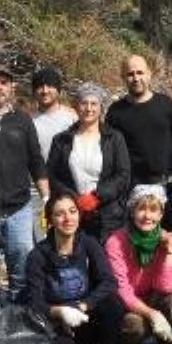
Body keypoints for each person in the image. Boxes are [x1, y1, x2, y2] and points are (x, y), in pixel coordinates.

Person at [0, 64, 49, 303]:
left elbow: (36, 160)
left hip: (19, 207)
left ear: (11, 87)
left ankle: (18, 321)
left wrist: (46, 199)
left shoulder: (23, 120)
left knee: (22, 269)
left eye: (3, 82)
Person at [26, 191, 124, 344]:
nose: (68, 218)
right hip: (57, 322)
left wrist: (84, 305)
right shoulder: (38, 256)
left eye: (72, 211)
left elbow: (109, 281)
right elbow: (34, 303)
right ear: (50, 220)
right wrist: (61, 312)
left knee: (113, 304)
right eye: (60, 213)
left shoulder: (88, 244)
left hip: (85, 314)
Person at [103, 185, 172, 344]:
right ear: (132, 212)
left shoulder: (167, 239)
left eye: (154, 210)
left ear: (161, 215)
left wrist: (170, 253)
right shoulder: (116, 241)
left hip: (151, 297)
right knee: (135, 325)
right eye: (142, 209)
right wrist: (152, 314)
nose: (147, 216)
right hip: (126, 304)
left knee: (171, 299)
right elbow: (121, 291)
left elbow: (167, 287)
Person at [46, 82, 132, 242]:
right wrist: (75, 199)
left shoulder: (114, 138)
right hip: (72, 215)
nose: (89, 108)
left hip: (108, 217)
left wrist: (96, 197)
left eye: (94, 104)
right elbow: (52, 175)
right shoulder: (61, 140)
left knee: (106, 264)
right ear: (76, 106)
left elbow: (123, 175)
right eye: (84, 103)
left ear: (101, 108)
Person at [105, 55, 172, 227]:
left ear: (149, 74)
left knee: (168, 237)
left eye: (140, 72)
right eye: (130, 74)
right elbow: (109, 152)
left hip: (166, 185)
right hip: (130, 188)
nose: (136, 78)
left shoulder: (166, 104)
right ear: (123, 77)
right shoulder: (115, 112)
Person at [30, 66, 76, 241]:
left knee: (67, 235)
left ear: (58, 89)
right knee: (41, 238)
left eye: (50, 85)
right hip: (35, 190)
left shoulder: (72, 118)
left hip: (67, 185)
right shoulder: (28, 120)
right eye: (40, 86)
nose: (45, 90)